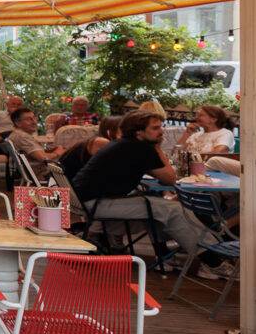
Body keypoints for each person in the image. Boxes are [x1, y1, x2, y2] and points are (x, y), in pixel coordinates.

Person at [71, 111, 225, 275]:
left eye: (161, 127)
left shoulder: (124, 144)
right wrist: (157, 147)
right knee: (172, 210)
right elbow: (171, 178)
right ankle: (213, 262)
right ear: (139, 132)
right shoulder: (141, 149)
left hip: (85, 202)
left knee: (158, 206)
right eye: (155, 128)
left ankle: (164, 256)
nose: (161, 131)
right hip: (96, 204)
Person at [59, 115, 122, 182]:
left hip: (76, 181)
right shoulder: (101, 142)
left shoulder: (101, 140)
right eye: (122, 130)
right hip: (69, 184)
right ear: (110, 131)